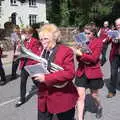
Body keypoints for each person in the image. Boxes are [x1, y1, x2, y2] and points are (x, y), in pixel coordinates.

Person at [32, 24, 78, 120]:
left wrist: (46, 78)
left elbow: (70, 73)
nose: (43, 42)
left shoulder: (65, 51)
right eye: (41, 39)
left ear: (54, 37)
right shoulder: (41, 52)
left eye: (45, 39)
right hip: (44, 97)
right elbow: (36, 67)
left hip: (63, 97)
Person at [73, 24, 104, 120]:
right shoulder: (81, 42)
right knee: (80, 97)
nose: (85, 35)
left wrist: (81, 55)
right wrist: (78, 54)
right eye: (84, 33)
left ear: (93, 33)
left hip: (93, 73)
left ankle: (99, 106)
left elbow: (94, 59)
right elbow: (78, 59)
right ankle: (80, 118)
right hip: (81, 72)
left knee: (94, 95)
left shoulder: (98, 42)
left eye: (88, 33)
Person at [16, 27, 42, 107]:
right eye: (24, 33)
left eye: (27, 33)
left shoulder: (35, 41)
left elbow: (34, 54)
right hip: (24, 65)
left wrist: (26, 50)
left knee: (36, 81)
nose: (25, 35)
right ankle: (22, 99)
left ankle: (44, 93)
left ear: (31, 34)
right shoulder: (23, 41)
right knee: (22, 82)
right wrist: (19, 46)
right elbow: (18, 52)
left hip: (32, 64)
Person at [107, 18, 120, 98]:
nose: (118, 26)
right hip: (115, 56)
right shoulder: (113, 32)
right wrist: (109, 38)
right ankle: (112, 91)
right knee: (113, 73)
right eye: (117, 25)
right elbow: (107, 41)